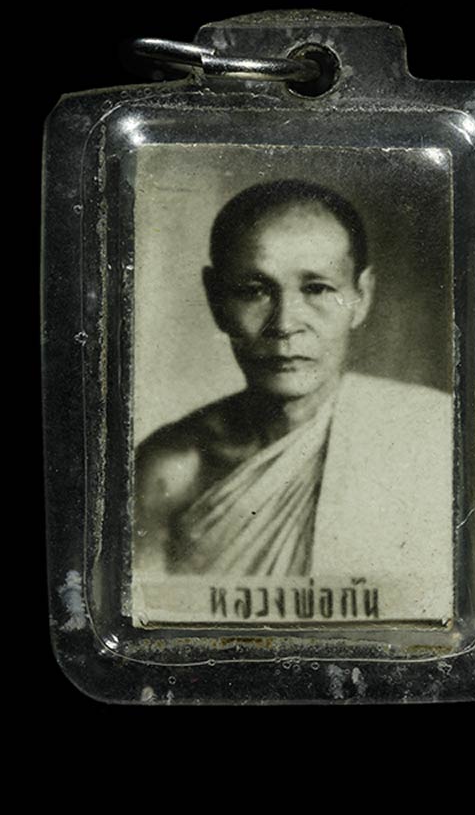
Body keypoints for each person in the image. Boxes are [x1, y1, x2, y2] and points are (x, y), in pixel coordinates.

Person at [133, 179, 452, 611]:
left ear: (361, 296)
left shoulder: (433, 438)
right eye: (254, 291)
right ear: (215, 298)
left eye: (317, 289)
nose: (284, 324)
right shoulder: (167, 472)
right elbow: (148, 630)